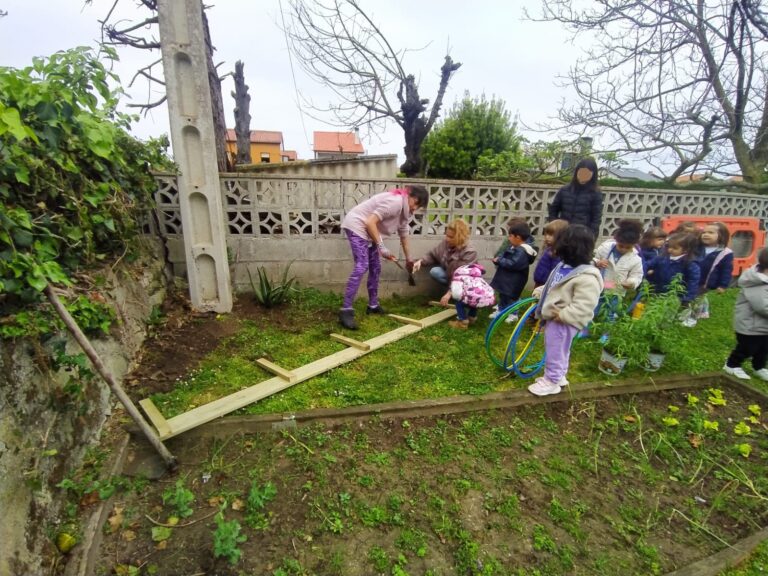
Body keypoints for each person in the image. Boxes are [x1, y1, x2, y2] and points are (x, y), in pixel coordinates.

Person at [338, 185, 429, 330]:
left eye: (419, 206)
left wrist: (409, 259)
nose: (415, 208)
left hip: (370, 231)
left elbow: (404, 236)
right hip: (357, 225)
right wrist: (382, 247)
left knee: (376, 267)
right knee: (362, 266)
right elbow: (369, 222)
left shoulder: (405, 213)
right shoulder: (396, 202)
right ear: (411, 197)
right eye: (416, 203)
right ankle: (346, 310)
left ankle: (373, 305)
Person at [527, 225, 604, 396]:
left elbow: (585, 304)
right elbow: (553, 286)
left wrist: (563, 315)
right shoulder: (564, 266)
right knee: (560, 348)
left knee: (556, 349)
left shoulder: (587, 277)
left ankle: (551, 381)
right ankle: (559, 376)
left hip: (563, 321)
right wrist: (541, 292)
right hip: (555, 318)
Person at [723, 248, 768, 381]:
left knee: (764, 349)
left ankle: (759, 367)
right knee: (747, 348)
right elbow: (762, 307)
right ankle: (732, 365)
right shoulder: (757, 282)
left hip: (764, 326)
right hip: (750, 326)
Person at [412, 219, 478, 306]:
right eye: (447, 235)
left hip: (466, 281)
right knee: (435, 271)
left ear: (460, 237)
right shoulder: (446, 243)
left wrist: (449, 293)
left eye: (451, 237)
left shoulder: (469, 251)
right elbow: (433, 254)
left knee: (461, 297)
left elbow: (463, 276)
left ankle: (463, 299)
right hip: (451, 275)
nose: (447, 239)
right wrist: (420, 261)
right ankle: (454, 294)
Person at [489, 221, 537, 322]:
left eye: (510, 236)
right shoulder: (514, 247)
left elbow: (513, 264)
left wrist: (500, 260)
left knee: (512, 297)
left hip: (514, 280)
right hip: (506, 278)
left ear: (518, 237)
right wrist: (499, 259)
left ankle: (513, 314)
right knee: (503, 295)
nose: (509, 238)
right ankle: (501, 310)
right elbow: (504, 255)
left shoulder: (522, 251)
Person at [547, 157, 603, 238]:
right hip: (563, 233)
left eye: (587, 172)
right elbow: (553, 209)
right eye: (581, 171)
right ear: (577, 171)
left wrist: (591, 236)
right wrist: (555, 225)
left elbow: (596, 218)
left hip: (581, 235)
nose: (584, 175)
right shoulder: (564, 190)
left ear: (593, 174)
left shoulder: (596, 193)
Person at [645, 232, 701, 305]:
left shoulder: (690, 263)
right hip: (658, 290)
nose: (670, 250)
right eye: (669, 247)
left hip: (677, 294)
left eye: (675, 248)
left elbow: (693, 281)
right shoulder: (663, 257)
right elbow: (648, 264)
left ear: (686, 250)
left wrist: (688, 297)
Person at [593, 219, 644, 297]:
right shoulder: (604, 248)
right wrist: (597, 262)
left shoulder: (636, 259)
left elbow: (636, 275)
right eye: (620, 246)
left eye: (628, 247)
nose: (623, 249)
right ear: (616, 240)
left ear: (634, 245)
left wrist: (631, 283)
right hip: (598, 289)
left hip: (616, 293)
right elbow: (589, 260)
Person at [446, 263, 496, 329]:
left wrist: (452, 295)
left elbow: (456, 292)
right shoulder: (478, 278)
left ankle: (462, 322)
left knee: (458, 301)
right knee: (474, 301)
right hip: (482, 300)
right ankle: (472, 318)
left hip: (472, 298)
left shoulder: (459, 277)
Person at [698, 222, 734, 294]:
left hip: (710, 286)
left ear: (721, 235)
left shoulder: (725, 252)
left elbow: (726, 270)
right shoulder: (698, 248)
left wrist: (723, 285)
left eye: (710, 233)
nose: (706, 235)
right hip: (693, 282)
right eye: (704, 232)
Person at [533, 219, 569, 288]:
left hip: (546, 285)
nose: (547, 237)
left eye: (551, 235)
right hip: (539, 282)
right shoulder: (549, 249)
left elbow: (555, 271)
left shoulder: (557, 254)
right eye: (546, 234)